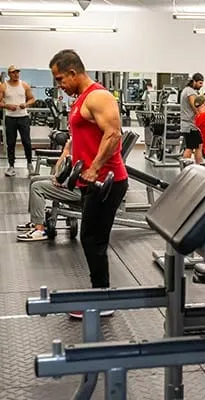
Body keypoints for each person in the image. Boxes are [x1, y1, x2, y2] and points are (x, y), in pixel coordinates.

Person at [49, 49, 129, 317]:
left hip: (107, 180)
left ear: (73, 72)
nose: (60, 85)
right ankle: (99, 295)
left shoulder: (99, 96)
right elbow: (81, 136)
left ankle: (102, 301)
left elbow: (113, 134)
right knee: (92, 239)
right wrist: (67, 166)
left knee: (93, 239)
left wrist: (94, 168)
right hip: (90, 180)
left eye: (61, 79)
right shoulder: (81, 98)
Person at [16, 140, 81, 242]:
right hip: (71, 181)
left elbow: (79, 170)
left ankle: (39, 229)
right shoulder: (75, 141)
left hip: (78, 188)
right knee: (34, 180)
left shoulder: (86, 143)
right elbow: (61, 166)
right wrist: (67, 149)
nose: (69, 128)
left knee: (37, 187)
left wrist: (62, 181)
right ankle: (35, 221)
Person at [0, 65, 36, 177]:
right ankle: (11, 167)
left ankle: (30, 164)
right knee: (10, 143)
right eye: (13, 72)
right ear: (9, 74)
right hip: (10, 118)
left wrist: (25, 104)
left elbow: (32, 99)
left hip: (23, 118)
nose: (16, 74)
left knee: (27, 142)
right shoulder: (3, 86)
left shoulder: (24, 85)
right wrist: (7, 106)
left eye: (17, 72)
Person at [180, 73, 205, 164]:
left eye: (202, 83)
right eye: (199, 83)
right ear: (194, 81)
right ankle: (185, 169)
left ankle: (199, 166)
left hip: (191, 125)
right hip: (190, 126)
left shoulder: (188, 90)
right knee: (190, 148)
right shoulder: (190, 91)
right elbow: (196, 107)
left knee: (198, 146)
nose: (201, 85)